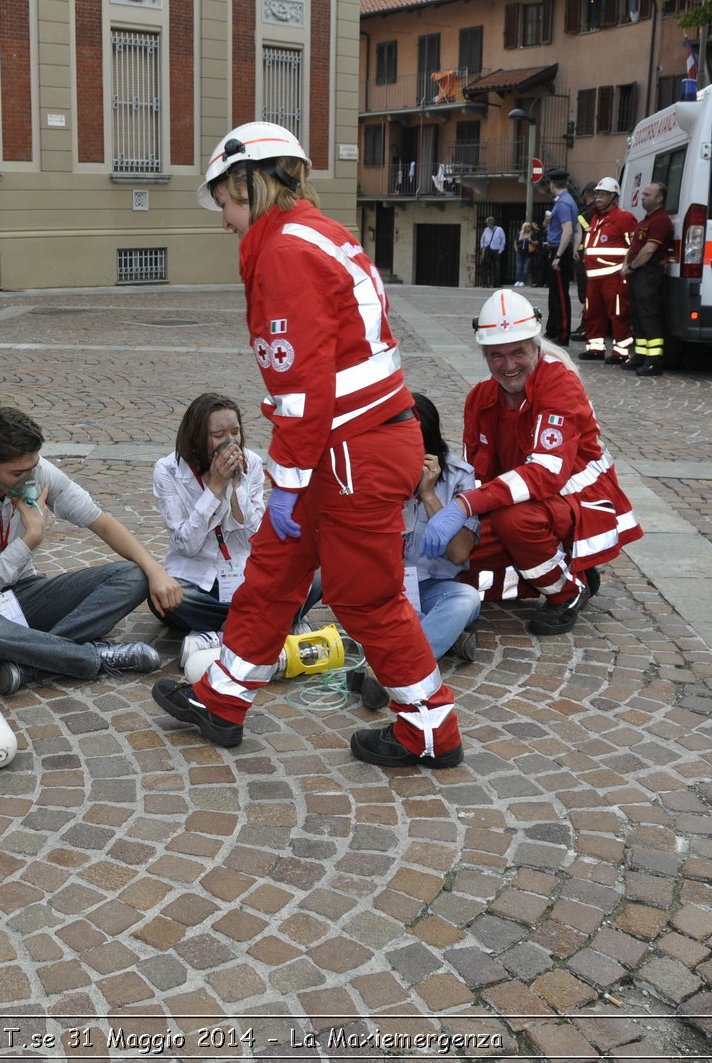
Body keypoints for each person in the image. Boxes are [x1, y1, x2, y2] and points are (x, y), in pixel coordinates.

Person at [151, 121, 463, 770]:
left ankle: (430, 730)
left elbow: (302, 388)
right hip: (352, 445)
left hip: (348, 451)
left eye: (226, 202)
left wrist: (288, 482)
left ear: (250, 182)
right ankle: (224, 701)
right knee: (274, 571)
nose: (224, 220)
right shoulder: (320, 234)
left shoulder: (285, 252)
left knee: (367, 597)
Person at [420, 289, 642, 636]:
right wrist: (456, 516)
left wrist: (463, 506)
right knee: (459, 558)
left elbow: (545, 473)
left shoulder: (559, 384)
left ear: (535, 347)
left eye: (518, 352)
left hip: (575, 499)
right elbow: (475, 473)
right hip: (519, 499)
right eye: (497, 356)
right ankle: (565, 567)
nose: (508, 366)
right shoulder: (480, 397)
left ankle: (567, 593)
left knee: (515, 521)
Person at [0, 406, 181, 695]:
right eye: (17, 473)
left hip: (25, 593)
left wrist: (155, 570)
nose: (28, 479)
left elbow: (102, 522)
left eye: (32, 467)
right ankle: (91, 658)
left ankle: (33, 661)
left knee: (135, 575)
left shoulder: (36, 470)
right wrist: (30, 539)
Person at [151, 392, 321, 667]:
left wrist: (235, 490)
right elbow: (185, 544)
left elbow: (260, 537)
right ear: (197, 437)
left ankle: (218, 636)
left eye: (235, 432)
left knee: (315, 577)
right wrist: (215, 488)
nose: (230, 442)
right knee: (165, 599)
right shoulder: (167, 470)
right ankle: (270, 622)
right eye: (218, 434)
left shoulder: (251, 463)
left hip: (245, 576)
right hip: (197, 580)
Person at [357, 395, 481, 710]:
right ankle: (447, 638)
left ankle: (390, 670)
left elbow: (459, 552)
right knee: (366, 605)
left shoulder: (459, 476)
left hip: (435, 587)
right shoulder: (376, 468)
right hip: (388, 586)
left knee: (467, 599)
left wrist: (428, 494)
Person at [621, 181, 675, 376]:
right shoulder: (646, 220)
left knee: (649, 316)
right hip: (638, 273)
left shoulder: (661, 220)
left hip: (648, 272)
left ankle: (654, 360)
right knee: (637, 315)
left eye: (647, 194)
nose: (642, 197)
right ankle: (640, 355)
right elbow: (635, 245)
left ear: (659, 199)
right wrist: (627, 264)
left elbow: (649, 250)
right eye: (643, 194)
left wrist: (631, 266)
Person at [579, 176, 633, 364]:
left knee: (618, 314)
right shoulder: (595, 217)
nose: (599, 197)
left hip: (614, 276)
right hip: (593, 277)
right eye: (597, 194)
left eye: (604, 194)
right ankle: (595, 348)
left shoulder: (624, 218)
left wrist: (627, 268)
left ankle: (621, 351)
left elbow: (633, 246)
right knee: (592, 313)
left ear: (614, 197)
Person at [542, 169, 579, 344]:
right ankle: (553, 329)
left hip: (558, 250)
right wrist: (575, 248)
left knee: (560, 296)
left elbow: (569, 230)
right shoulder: (567, 201)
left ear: (551, 184)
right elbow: (577, 228)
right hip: (561, 250)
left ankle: (562, 333)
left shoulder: (563, 203)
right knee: (555, 293)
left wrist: (558, 255)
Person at [572, 181, 597, 341]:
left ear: (587, 195)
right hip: (594, 257)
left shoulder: (585, 214)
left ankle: (586, 326)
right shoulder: (600, 212)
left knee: (585, 294)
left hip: (584, 258)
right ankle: (587, 324)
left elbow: (581, 231)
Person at [478, 216, 506, 287]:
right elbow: (482, 239)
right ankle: (485, 283)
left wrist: (500, 250)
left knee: (496, 267)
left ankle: (495, 283)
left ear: (492, 223)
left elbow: (503, 240)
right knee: (486, 267)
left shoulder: (499, 230)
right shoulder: (486, 230)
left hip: (496, 250)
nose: (487, 225)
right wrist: (482, 247)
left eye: (488, 223)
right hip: (487, 249)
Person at [515, 222, 540, 288]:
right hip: (520, 252)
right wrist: (517, 250)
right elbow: (515, 242)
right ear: (524, 227)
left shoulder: (532, 234)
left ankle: (523, 281)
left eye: (529, 226)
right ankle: (518, 280)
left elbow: (537, 243)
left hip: (528, 253)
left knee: (525, 268)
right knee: (519, 267)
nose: (529, 227)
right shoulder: (519, 234)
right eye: (527, 226)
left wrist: (530, 240)